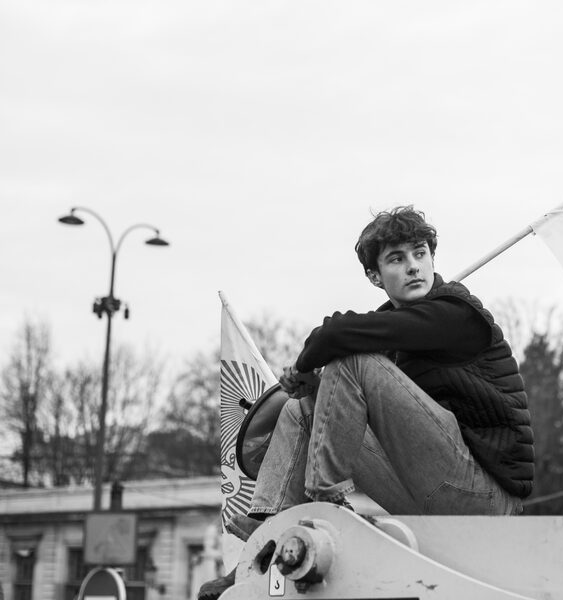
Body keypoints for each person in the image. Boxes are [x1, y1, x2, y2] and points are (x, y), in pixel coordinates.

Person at [200, 206, 533, 599]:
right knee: (299, 409)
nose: (413, 267)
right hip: (426, 492)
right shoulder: (393, 330)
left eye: (420, 253)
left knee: (352, 358)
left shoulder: (456, 314)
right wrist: (308, 386)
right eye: (397, 259)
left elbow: (336, 336)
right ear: (375, 276)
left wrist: (303, 366)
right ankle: (264, 539)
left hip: (484, 500)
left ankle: (326, 501)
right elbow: (337, 356)